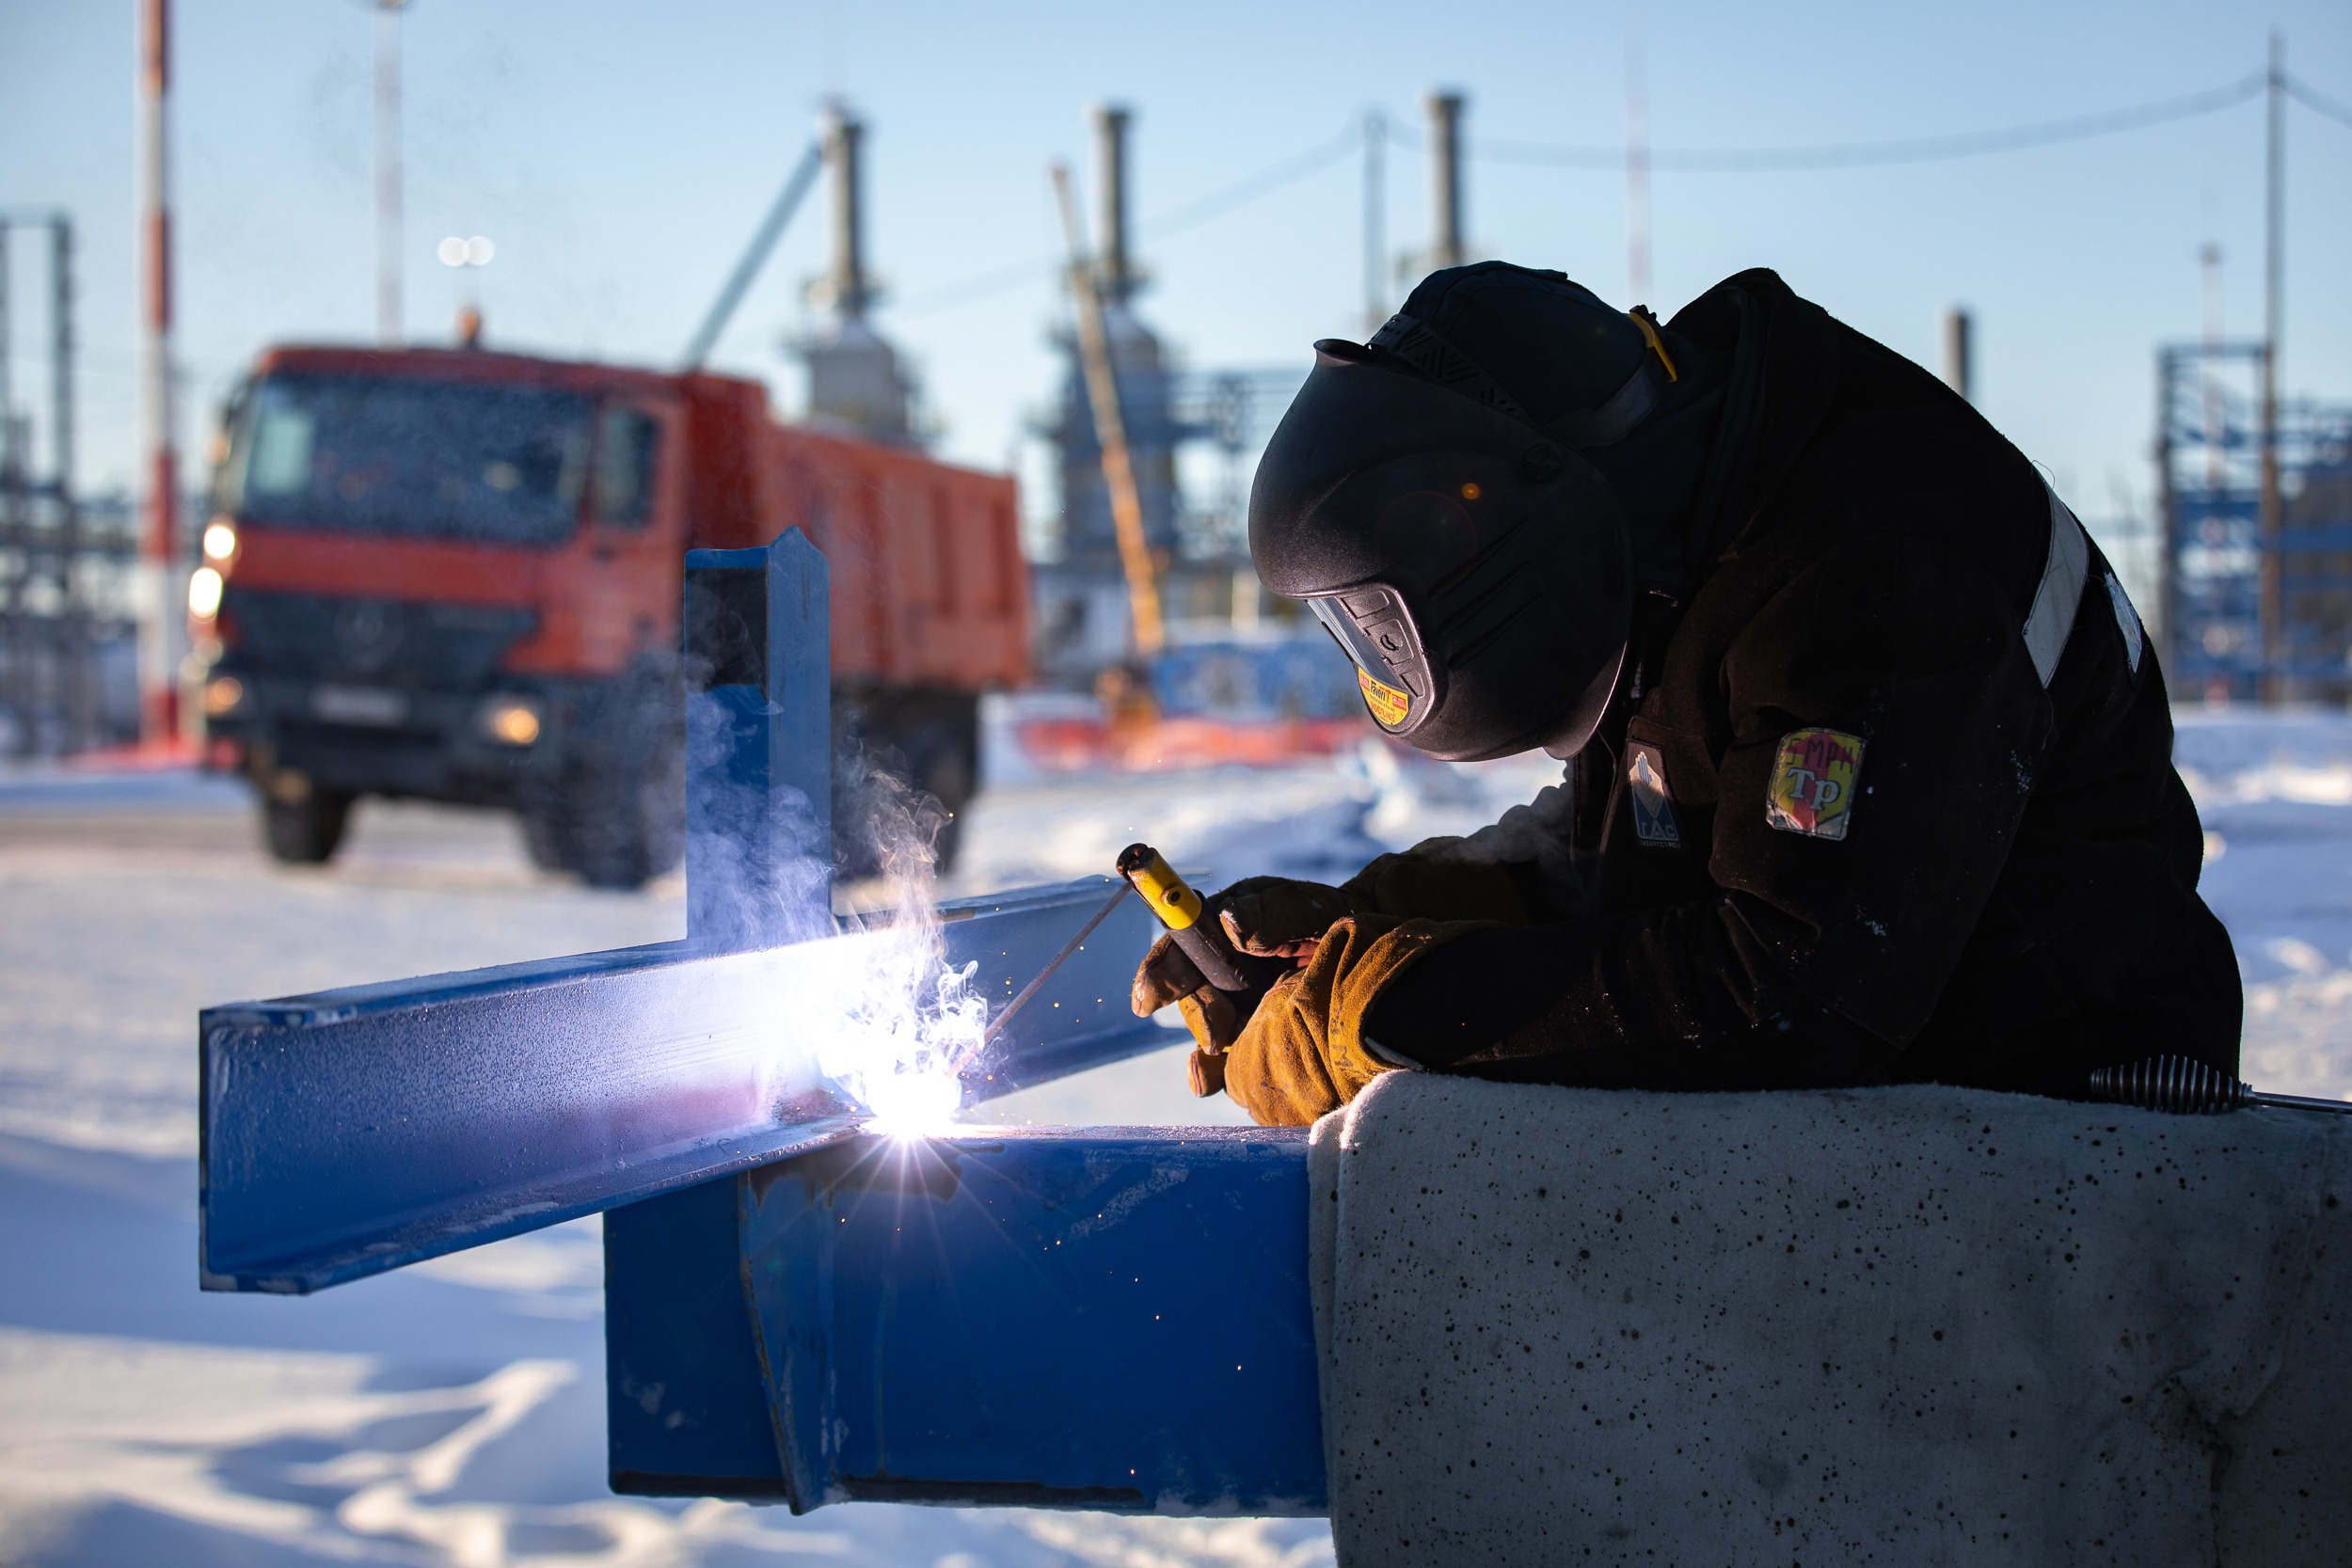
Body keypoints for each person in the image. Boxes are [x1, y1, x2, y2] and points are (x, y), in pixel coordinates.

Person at [1132, 262, 2240, 1128]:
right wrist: (1370, 923)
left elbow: (1791, 986)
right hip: (1916, 1115)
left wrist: (1388, 1012)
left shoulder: (1870, 565)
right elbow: (1651, 827)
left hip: (2083, 1145)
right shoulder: (1693, 529)